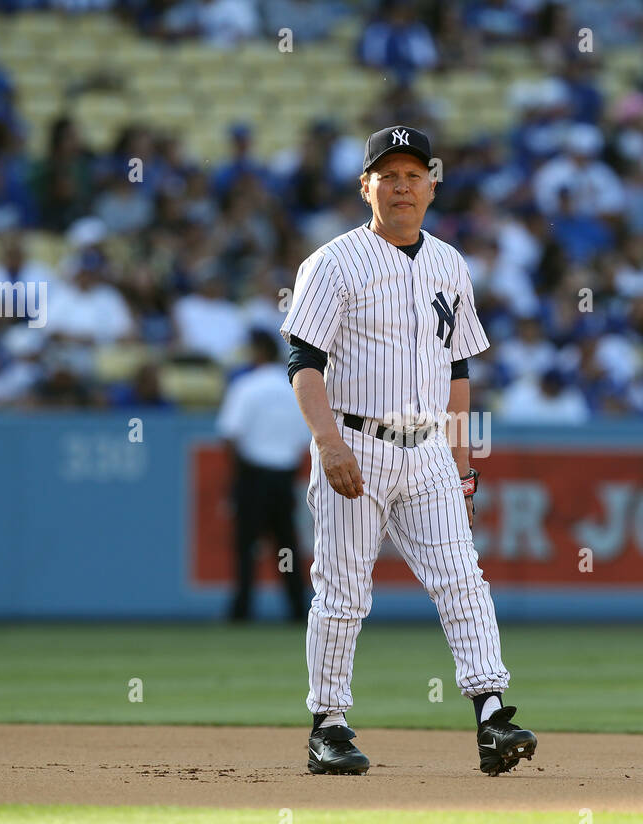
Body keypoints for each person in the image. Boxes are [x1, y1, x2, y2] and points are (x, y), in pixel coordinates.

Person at [280, 125, 537, 776]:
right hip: (356, 441)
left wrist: (462, 463)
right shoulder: (333, 262)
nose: (401, 186)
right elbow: (303, 362)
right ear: (366, 185)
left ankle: (492, 716)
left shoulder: (451, 263)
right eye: (388, 175)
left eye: (413, 174)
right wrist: (328, 441)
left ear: (432, 183)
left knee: (463, 581)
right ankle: (328, 726)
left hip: (428, 449)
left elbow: (457, 373)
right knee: (342, 593)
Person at [215, 330, 310, 622]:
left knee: (246, 547)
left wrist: (238, 475)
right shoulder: (294, 388)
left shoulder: (245, 386)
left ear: (258, 352)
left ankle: (242, 610)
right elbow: (306, 436)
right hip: (283, 476)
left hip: (253, 475)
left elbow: (231, 436)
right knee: (287, 546)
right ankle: (297, 610)